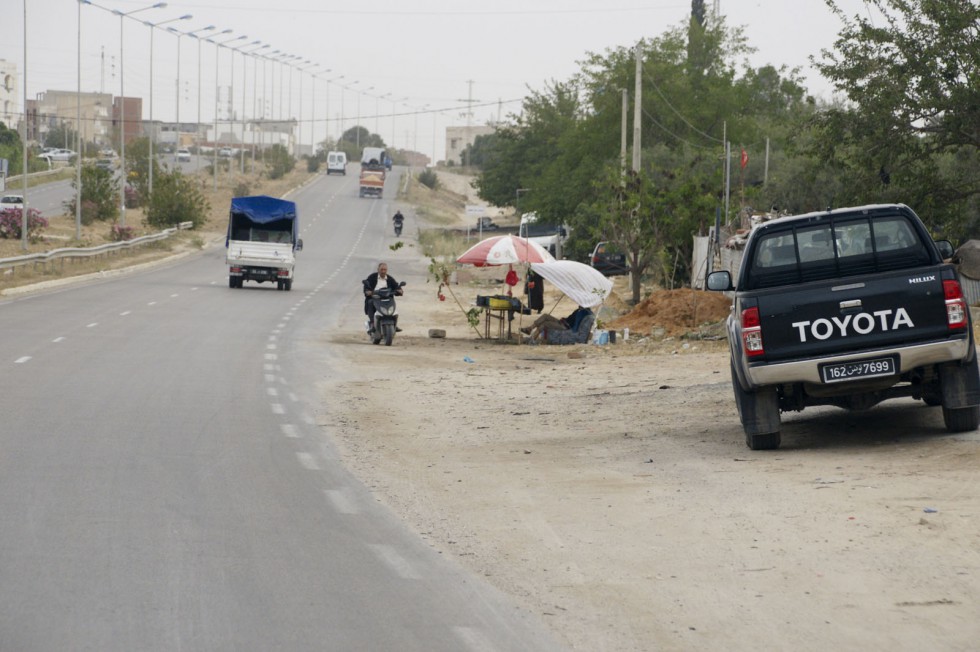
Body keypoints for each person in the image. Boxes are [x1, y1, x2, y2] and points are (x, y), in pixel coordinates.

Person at [362, 262, 403, 332]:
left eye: (385, 270)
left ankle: (394, 324)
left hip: (387, 298)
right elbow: (366, 287)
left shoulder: (390, 279)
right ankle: (372, 324)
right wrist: (368, 292)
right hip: (375, 298)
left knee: (393, 307)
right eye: (382, 269)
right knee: (370, 302)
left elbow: (396, 286)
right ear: (378, 269)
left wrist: (399, 291)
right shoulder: (372, 277)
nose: (383, 271)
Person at [521, 305, 592, 341]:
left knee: (545, 324)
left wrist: (570, 330)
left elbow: (575, 326)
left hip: (565, 326)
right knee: (545, 316)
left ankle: (532, 339)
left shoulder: (583, 313)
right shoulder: (578, 311)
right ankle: (530, 328)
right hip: (563, 322)